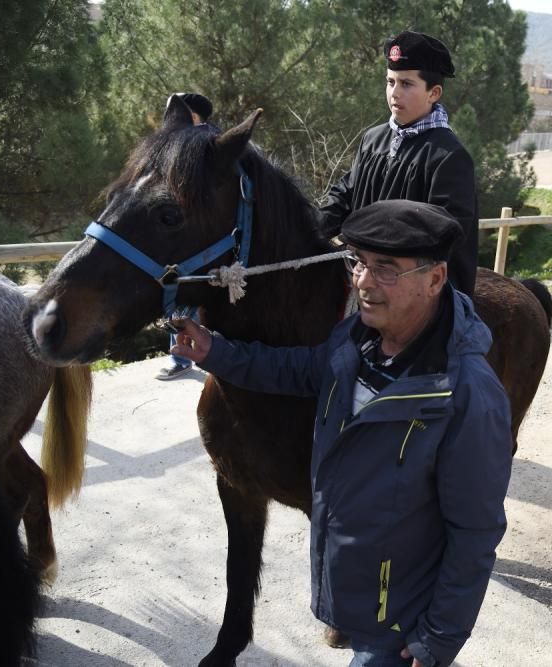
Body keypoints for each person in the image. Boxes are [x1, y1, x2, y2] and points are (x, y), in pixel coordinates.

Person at [169, 200, 512, 667]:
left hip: (398, 621)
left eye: (386, 269)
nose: (365, 283)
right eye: (358, 263)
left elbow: (476, 532)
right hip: (355, 593)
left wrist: (438, 637)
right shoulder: (357, 337)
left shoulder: (469, 396)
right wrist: (215, 351)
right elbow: (300, 369)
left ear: (435, 279)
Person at [316, 30, 479, 296]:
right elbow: (345, 196)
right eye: (390, 82)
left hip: (417, 296)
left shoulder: (448, 156)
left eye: (406, 84)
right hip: (363, 277)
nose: (394, 93)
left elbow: (445, 235)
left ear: (434, 93)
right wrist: (309, 230)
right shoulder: (373, 139)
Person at [155, 91, 214, 381]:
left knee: (183, 294)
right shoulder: (213, 141)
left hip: (195, 238)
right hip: (210, 238)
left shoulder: (196, 143)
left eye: (176, 110)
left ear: (192, 115)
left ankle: (181, 357)